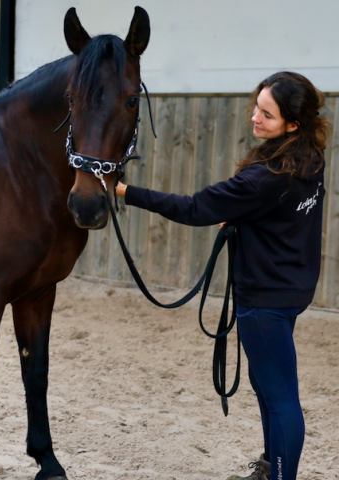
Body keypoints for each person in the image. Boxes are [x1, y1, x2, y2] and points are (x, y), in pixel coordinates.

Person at [116, 71, 330, 480]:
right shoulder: (308, 158)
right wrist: (242, 219)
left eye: (266, 114)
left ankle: (281, 475)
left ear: (292, 124)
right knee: (269, 386)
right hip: (290, 287)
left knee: (281, 397)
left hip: (264, 298)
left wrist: (125, 191)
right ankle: (271, 467)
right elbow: (278, 215)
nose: (254, 117)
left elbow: (194, 208)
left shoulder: (265, 177)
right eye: (257, 107)